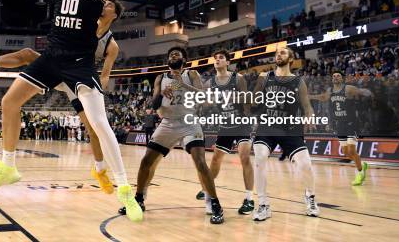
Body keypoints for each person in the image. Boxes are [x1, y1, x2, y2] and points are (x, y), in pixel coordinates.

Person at [0, 0, 173, 222]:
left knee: (100, 126)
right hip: (52, 55)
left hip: (79, 63)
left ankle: (123, 190)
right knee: (9, 102)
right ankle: (8, 166)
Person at [0, 0, 124, 194]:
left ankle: (100, 169)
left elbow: (105, 75)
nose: (104, 5)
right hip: (59, 69)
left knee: (94, 130)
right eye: (104, 2)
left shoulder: (112, 45)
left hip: (80, 81)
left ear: (115, 14)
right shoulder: (85, 23)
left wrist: (94, 97)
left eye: (109, 5)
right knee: (28, 54)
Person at [118, 47, 225, 224]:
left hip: (189, 122)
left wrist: (181, 84)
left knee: (200, 161)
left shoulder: (192, 75)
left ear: (184, 59)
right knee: (147, 161)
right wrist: (161, 94)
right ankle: (139, 199)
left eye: (177, 54)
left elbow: (202, 96)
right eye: (171, 55)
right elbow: (154, 103)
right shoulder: (161, 77)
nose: (173, 56)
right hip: (167, 122)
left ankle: (215, 204)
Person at [251, 47, 320, 221]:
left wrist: (310, 117)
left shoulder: (298, 81)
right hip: (266, 126)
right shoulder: (265, 77)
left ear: (291, 58)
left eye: (283, 52)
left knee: (305, 165)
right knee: (259, 159)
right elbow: (254, 100)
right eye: (277, 53)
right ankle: (263, 204)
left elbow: (307, 106)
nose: (278, 55)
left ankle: (310, 197)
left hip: (289, 128)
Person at [194, 49, 254, 215]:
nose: (217, 60)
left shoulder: (238, 78)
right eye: (215, 58)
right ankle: (207, 189)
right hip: (225, 126)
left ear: (228, 62)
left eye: (221, 57)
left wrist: (236, 100)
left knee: (244, 157)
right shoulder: (210, 83)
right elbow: (205, 103)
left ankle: (249, 199)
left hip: (241, 124)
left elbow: (247, 100)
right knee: (215, 159)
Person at [309, 71, 372, 185]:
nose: (335, 77)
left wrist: (367, 92)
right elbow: (323, 97)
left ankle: (360, 173)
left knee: (352, 150)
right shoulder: (330, 91)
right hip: (340, 124)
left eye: (338, 76)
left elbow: (360, 91)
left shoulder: (348, 89)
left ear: (342, 78)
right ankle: (361, 165)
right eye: (333, 76)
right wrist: (310, 96)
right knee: (346, 152)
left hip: (351, 123)